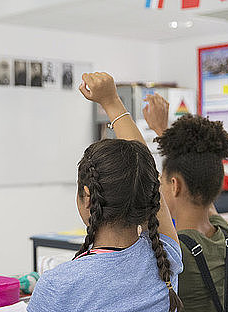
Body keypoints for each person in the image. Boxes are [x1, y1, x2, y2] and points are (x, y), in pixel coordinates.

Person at [27, 72, 183, 312]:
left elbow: (147, 173)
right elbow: (146, 172)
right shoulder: (165, 258)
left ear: (87, 197)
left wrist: (110, 101)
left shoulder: (58, 286)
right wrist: (112, 102)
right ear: (151, 196)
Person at [143, 94, 228, 312]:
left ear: (174, 186)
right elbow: (198, 183)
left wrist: (112, 104)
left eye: (161, 181)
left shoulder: (174, 251)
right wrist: (164, 133)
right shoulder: (224, 235)